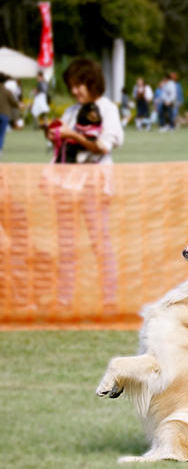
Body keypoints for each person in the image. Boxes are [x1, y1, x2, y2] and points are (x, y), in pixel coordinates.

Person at [43, 57, 123, 308]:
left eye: (79, 85)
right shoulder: (71, 111)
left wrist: (73, 135)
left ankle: (109, 298)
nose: (75, 91)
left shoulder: (107, 109)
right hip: (66, 185)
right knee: (65, 243)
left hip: (94, 184)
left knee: (99, 241)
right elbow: (60, 149)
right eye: (72, 86)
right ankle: (64, 298)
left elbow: (102, 147)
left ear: (92, 82)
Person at [0, 73, 19, 158]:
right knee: (1, 134)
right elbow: (14, 103)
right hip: (4, 114)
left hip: (4, 114)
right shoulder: (7, 91)